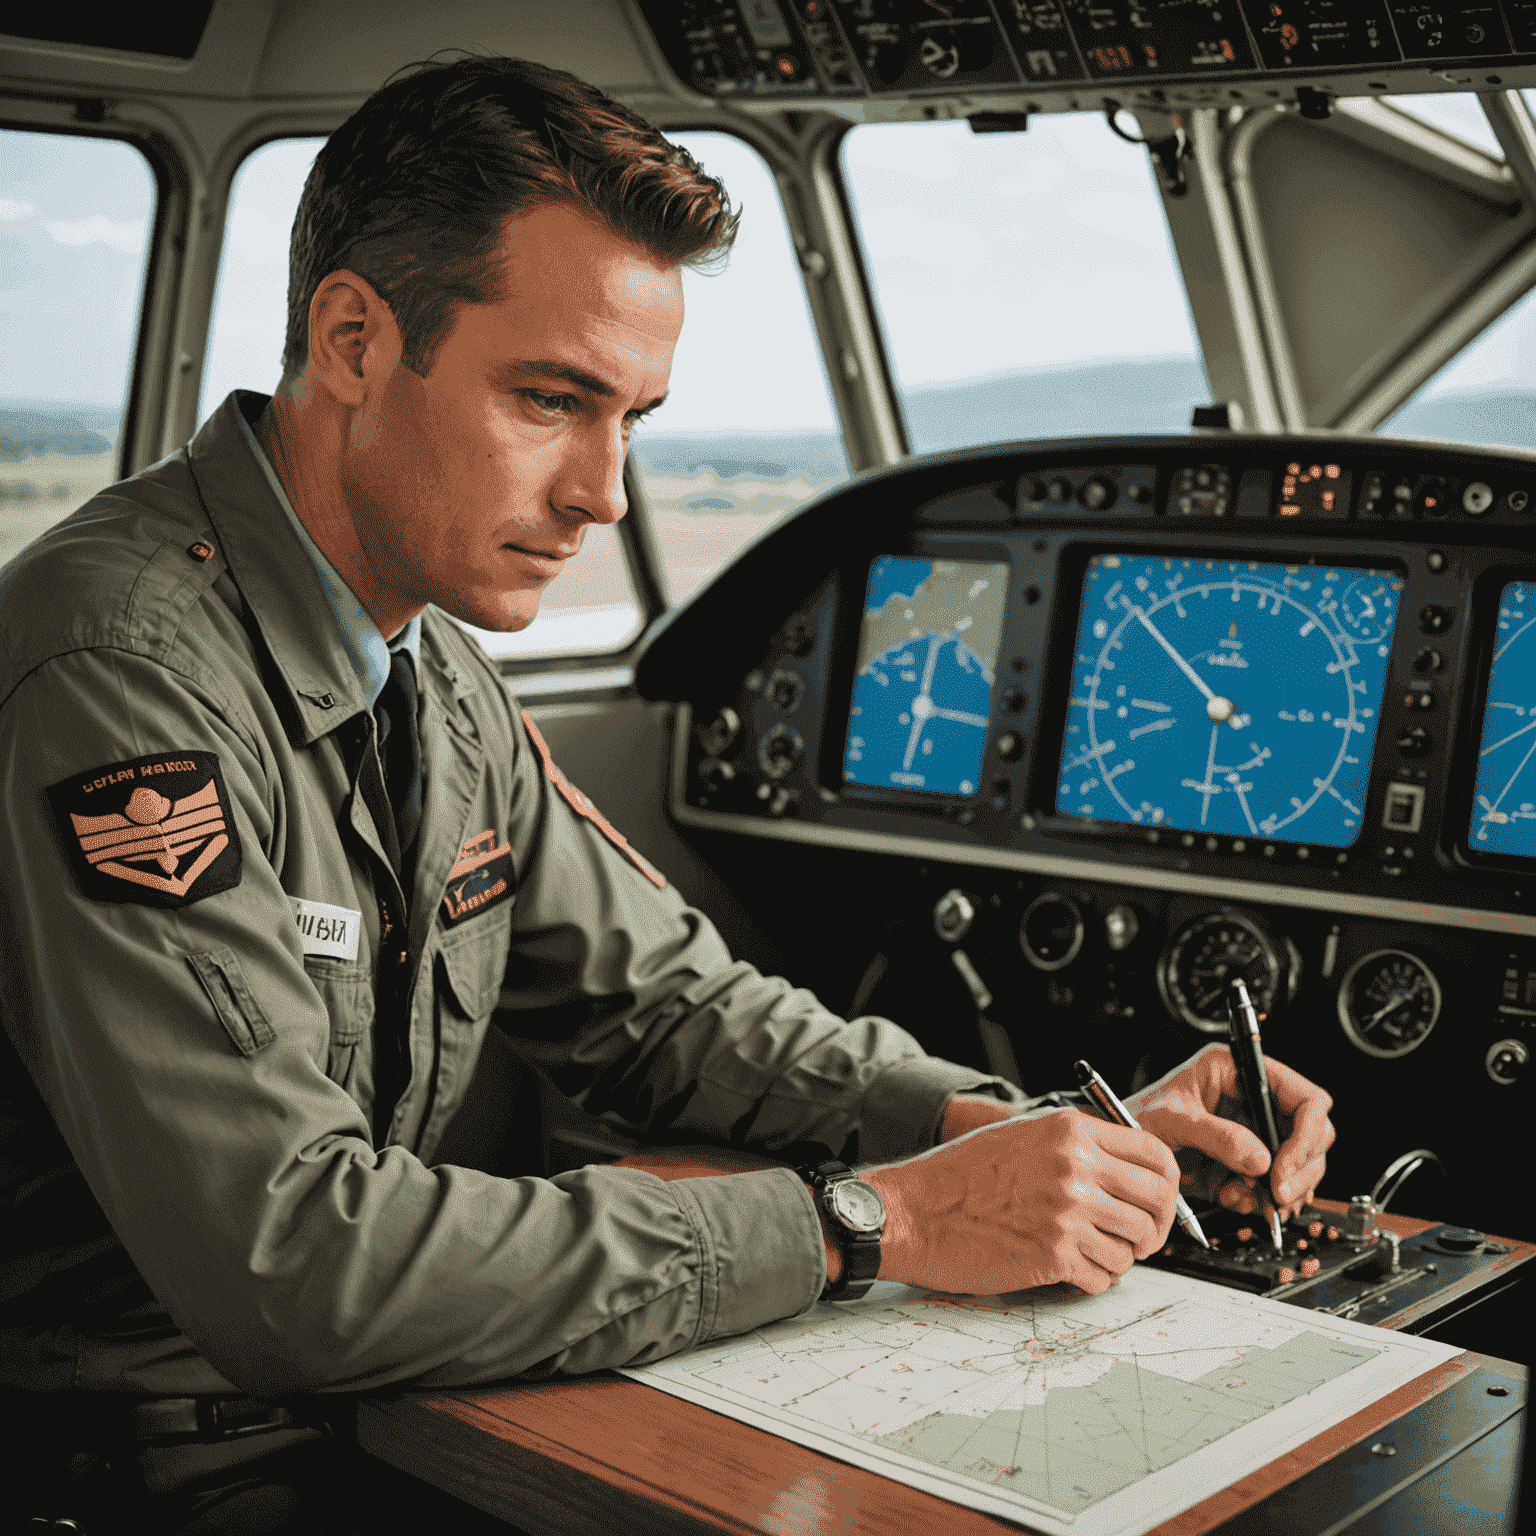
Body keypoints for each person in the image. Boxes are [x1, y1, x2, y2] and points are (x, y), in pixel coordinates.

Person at [0, 53, 1335, 1531]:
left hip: (369, 1416)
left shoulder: (428, 671)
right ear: (357, 340)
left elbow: (675, 1014)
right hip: (149, 1465)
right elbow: (295, 1265)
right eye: (553, 402)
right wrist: (872, 1223)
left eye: (631, 417)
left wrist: (1025, 1139)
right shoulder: (118, 674)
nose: (604, 494)